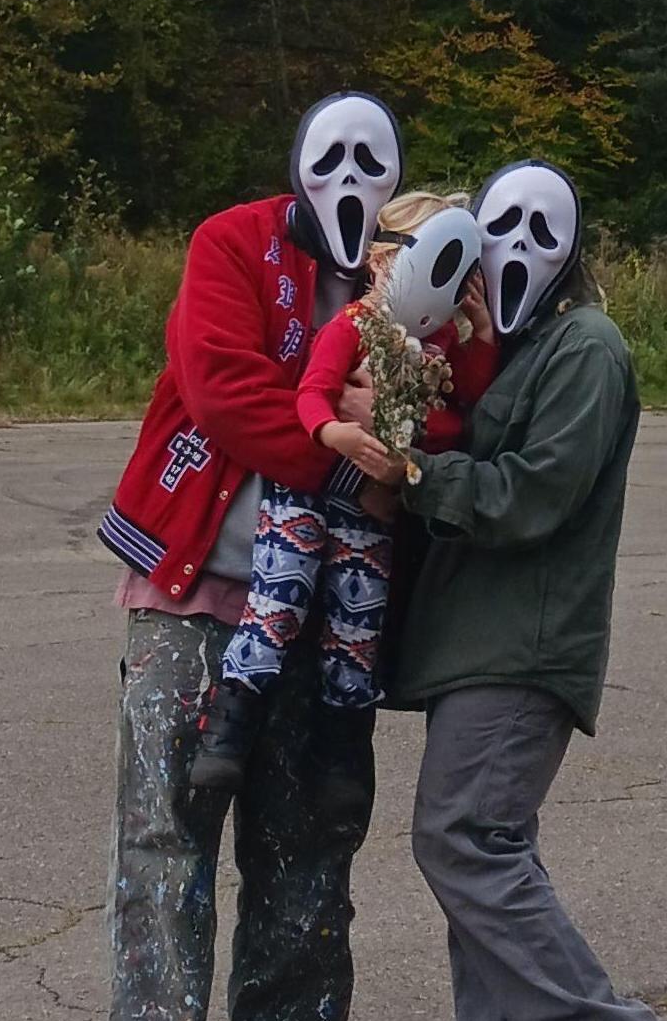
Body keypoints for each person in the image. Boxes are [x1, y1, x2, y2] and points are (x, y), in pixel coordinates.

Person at [92, 92, 409, 1021]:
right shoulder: (231, 243)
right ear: (300, 161)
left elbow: (437, 406)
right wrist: (344, 439)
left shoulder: (399, 277)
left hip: (330, 610)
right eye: (336, 153)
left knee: (309, 833)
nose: (355, 173)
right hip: (193, 589)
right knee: (166, 829)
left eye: (378, 156)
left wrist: (396, 426)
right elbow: (220, 387)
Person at [381, 158, 663, 1021]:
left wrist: (416, 472)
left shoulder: (584, 348)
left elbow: (533, 494)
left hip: (527, 642)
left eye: (526, 231)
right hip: (479, 640)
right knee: (483, 843)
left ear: (566, 246)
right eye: (490, 232)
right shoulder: (521, 345)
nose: (503, 252)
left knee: (464, 836)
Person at [187, 194, 493, 798]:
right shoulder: (354, 326)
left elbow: (465, 405)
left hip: (365, 504)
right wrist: (334, 431)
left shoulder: (434, 352)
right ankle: (227, 722)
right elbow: (312, 392)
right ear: (383, 261)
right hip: (306, 485)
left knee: (360, 612)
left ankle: (341, 744)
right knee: (283, 593)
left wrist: (479, 332)